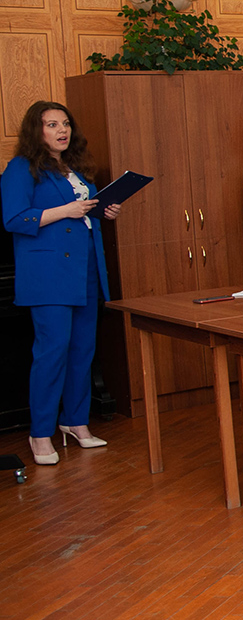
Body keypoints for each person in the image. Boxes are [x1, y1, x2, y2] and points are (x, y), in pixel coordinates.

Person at [3, 101, 121, 466]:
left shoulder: (77, 169)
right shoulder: (21, 168)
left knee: (82, 351)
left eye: (65, 123)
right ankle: (40, 434)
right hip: (49, 275)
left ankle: (76, 423)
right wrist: (66, 211)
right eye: (52, 124)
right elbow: (14, 219)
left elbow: (83, 214)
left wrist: (104, 209)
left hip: (86, 270)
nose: (61, 130)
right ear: (36, 131)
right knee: (51, 354)